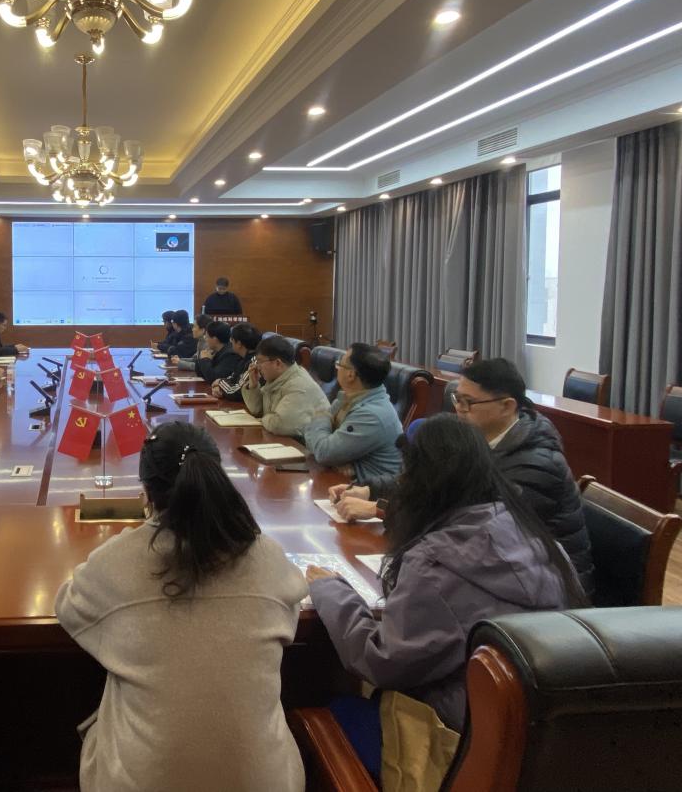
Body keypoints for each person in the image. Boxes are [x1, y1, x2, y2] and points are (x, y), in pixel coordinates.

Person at [306, 415, 583, 782]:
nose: (400, 482)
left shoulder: (435, 561)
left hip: (458, 747)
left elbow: (381, 661)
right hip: (543, 745)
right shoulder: (534, 536)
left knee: (318, 707)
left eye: (405, 474)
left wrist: (331, 590)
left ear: (423, 482)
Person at [56, 422, 307, 792]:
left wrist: (128, 542)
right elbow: (290, 614)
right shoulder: (268, 555)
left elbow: (68, 606)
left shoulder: (117, 561)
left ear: (146, 492)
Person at [453, 358, 595, 596]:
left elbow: (484, 533)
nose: (459, 409)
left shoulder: (535, 465)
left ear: (507, 406)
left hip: (553, 592)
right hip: (513, 572)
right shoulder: (484, 441)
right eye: (457, 399)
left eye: (468, 402)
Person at [304, 343, 403, 494]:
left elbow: (323, 452)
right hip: (345, 483)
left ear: (351, 375)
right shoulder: (349, 397)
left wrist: (320, 415)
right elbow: (311, 438)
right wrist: (333, 457)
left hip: (373, 494)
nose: (337, 368)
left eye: (340, 364)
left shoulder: (371, 415)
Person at [240, 334, 329, 437]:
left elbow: (280, 425)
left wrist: (262, 419)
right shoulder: (277, 379)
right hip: (285, 441)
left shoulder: (298, 385)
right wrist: (253, 385)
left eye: (260, 362)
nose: (257, 367)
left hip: (304, 444)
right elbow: (257, 410)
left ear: (277, 363)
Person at [174, 321, 244, 384]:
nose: (205, 339)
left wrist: (205, 359)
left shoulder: (229, 355)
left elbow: (213, 378)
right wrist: (202, 358)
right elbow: (200, 373)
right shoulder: (216, 351)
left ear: (215, 339)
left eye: (207, 336)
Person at [212, 322, 260, 402]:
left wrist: (220, 383)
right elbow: (233, 378)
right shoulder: (243, 358)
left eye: (232, 339)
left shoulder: (254, 362)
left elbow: (237, 392)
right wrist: (220, 385)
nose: (230, 342)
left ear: (239, 343)